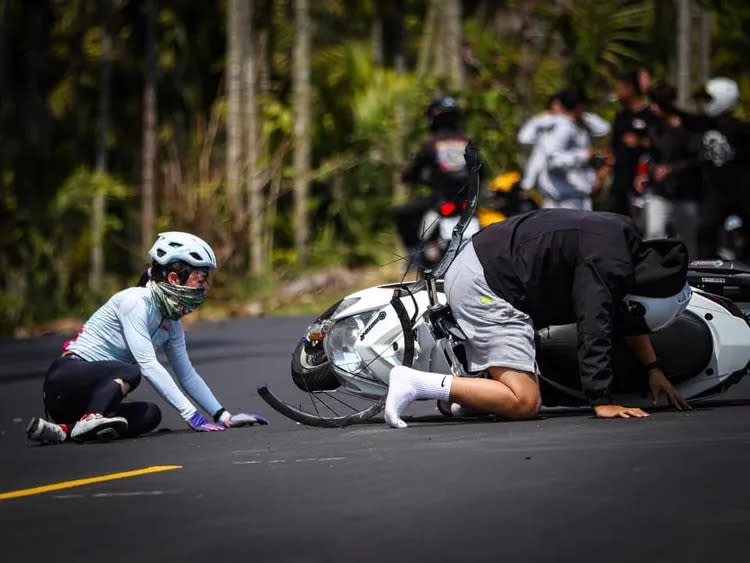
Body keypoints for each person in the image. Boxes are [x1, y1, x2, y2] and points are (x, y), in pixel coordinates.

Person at [384, 209, 692, 429]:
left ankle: (470, 398)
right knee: (524, 403)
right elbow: (595, 322)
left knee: (520, 392)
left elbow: (620, 311)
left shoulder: (621, 240)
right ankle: (414, 383)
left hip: (484, 264)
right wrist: (601, 400)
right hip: (487, 283)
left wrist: (653, 368)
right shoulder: (609, 262)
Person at [26, 231, 269, 444]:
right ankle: (90, 419)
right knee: (132, 372)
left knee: (151, 415)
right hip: (65, 381)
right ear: (174, 279)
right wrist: (192, 416)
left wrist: (223, 416)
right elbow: (148, 365)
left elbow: (186, 373)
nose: (203, 289)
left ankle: (64, 430)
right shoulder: (136, 301)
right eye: (200, 280)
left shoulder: (171, 321)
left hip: (93, 396)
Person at [675, 78, 750, 259]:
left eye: (710, 99)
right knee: (706, 231)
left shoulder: (742, 129)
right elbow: (682, 116)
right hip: (714, 192)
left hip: (742, 191)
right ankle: (705, 276)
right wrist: (659, 98)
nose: (706, 104)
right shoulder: (704, 124)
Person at [394, 95, 470, 263]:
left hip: (440, 202)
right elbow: (482, 171)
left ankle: (413, 258)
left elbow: (412, 172)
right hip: (468, 203)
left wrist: (406, 177)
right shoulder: (467, 141)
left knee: (400, 214)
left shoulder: (431, 144)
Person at [636, 83, 702, 259]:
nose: (653, 108)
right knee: (654, 234)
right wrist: (643, 173)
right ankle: (651, 274)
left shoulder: (687, 127)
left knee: (687, 240)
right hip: (660, 191)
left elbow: (696, 159)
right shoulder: (654, 128)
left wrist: (671, 169)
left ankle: (690, 278)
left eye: (657, 104)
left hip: (684, 192)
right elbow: (648, 156)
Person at [517, 91, 610, 193]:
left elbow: (604, 129)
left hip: (573, 189)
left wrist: (581, 114)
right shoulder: (553, 125)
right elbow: (525, 138)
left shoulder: (579, 126)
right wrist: (583, 155)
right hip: (557, 190)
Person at [609, 70, 656, 217]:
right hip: (620, 181)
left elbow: (659, 145)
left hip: (642, 180)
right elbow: (613, 147)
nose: (618, 93)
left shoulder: (650, 114)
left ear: (630, 88)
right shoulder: (621, 116)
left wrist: (640, 142)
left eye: (620, 88)